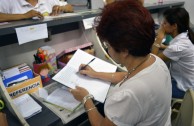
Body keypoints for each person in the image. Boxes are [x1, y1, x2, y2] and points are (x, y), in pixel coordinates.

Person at [69, 0, 172, 125]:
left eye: (108, 45)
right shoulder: (155, 61)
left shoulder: (127, 95)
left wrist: (86, 99)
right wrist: (95, 74)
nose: (108, 49)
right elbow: (127, 76)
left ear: (124, 50)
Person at [152, 8, 194, 98]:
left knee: (151, 88)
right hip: (188, 81)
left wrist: (159, 39)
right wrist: (164, 47)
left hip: (184, 89)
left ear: (174, 26)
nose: (162, 25)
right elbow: (178, 50)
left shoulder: (177, 48)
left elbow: (153, 62)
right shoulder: (185, 36)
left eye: (165, 23)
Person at [0, 0, 73, 22]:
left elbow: (70, 7)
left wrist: (62, 8)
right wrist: (24, 16)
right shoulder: (8, 2)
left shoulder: (48, 1)